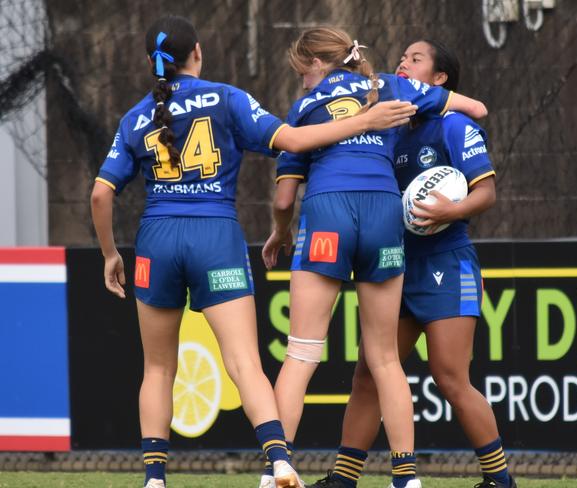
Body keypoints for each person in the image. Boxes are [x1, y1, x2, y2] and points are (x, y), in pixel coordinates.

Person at [90, 15, 417, 488]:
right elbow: (294, 139)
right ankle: (280, 462)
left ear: (151, 64)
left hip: (155, 240)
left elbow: (101, 195)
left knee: (159, 368)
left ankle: (155, 478)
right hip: (215, 236)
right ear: (197, 53)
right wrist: (365, 121)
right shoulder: (227, 98)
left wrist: (109, 255)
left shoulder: (134, 117)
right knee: (244, 362)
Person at [261, 28, 488, 488]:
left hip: (329, 211)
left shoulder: (305, 108)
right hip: (385, 212)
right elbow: (475, 109)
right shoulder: (389, 85)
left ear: (316, 65)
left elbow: (285, 200)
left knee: (302, 354)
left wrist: (280, 234)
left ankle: (278, 469)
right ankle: (406, 477)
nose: (302, 81)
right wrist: (428, 105)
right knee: (385, 359)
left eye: (301, 71)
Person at [308, 41, 516, 488]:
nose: (402, 63)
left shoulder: (453, 126)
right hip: (396, 265)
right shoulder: (390, 129)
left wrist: (449, 212)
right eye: (402, 57)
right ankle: (344, 479)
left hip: (447, 263)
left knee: (449, 376)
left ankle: (499, 480)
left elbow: (487, 193)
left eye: (415, 59)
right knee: (369, 372)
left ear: (439, 80)